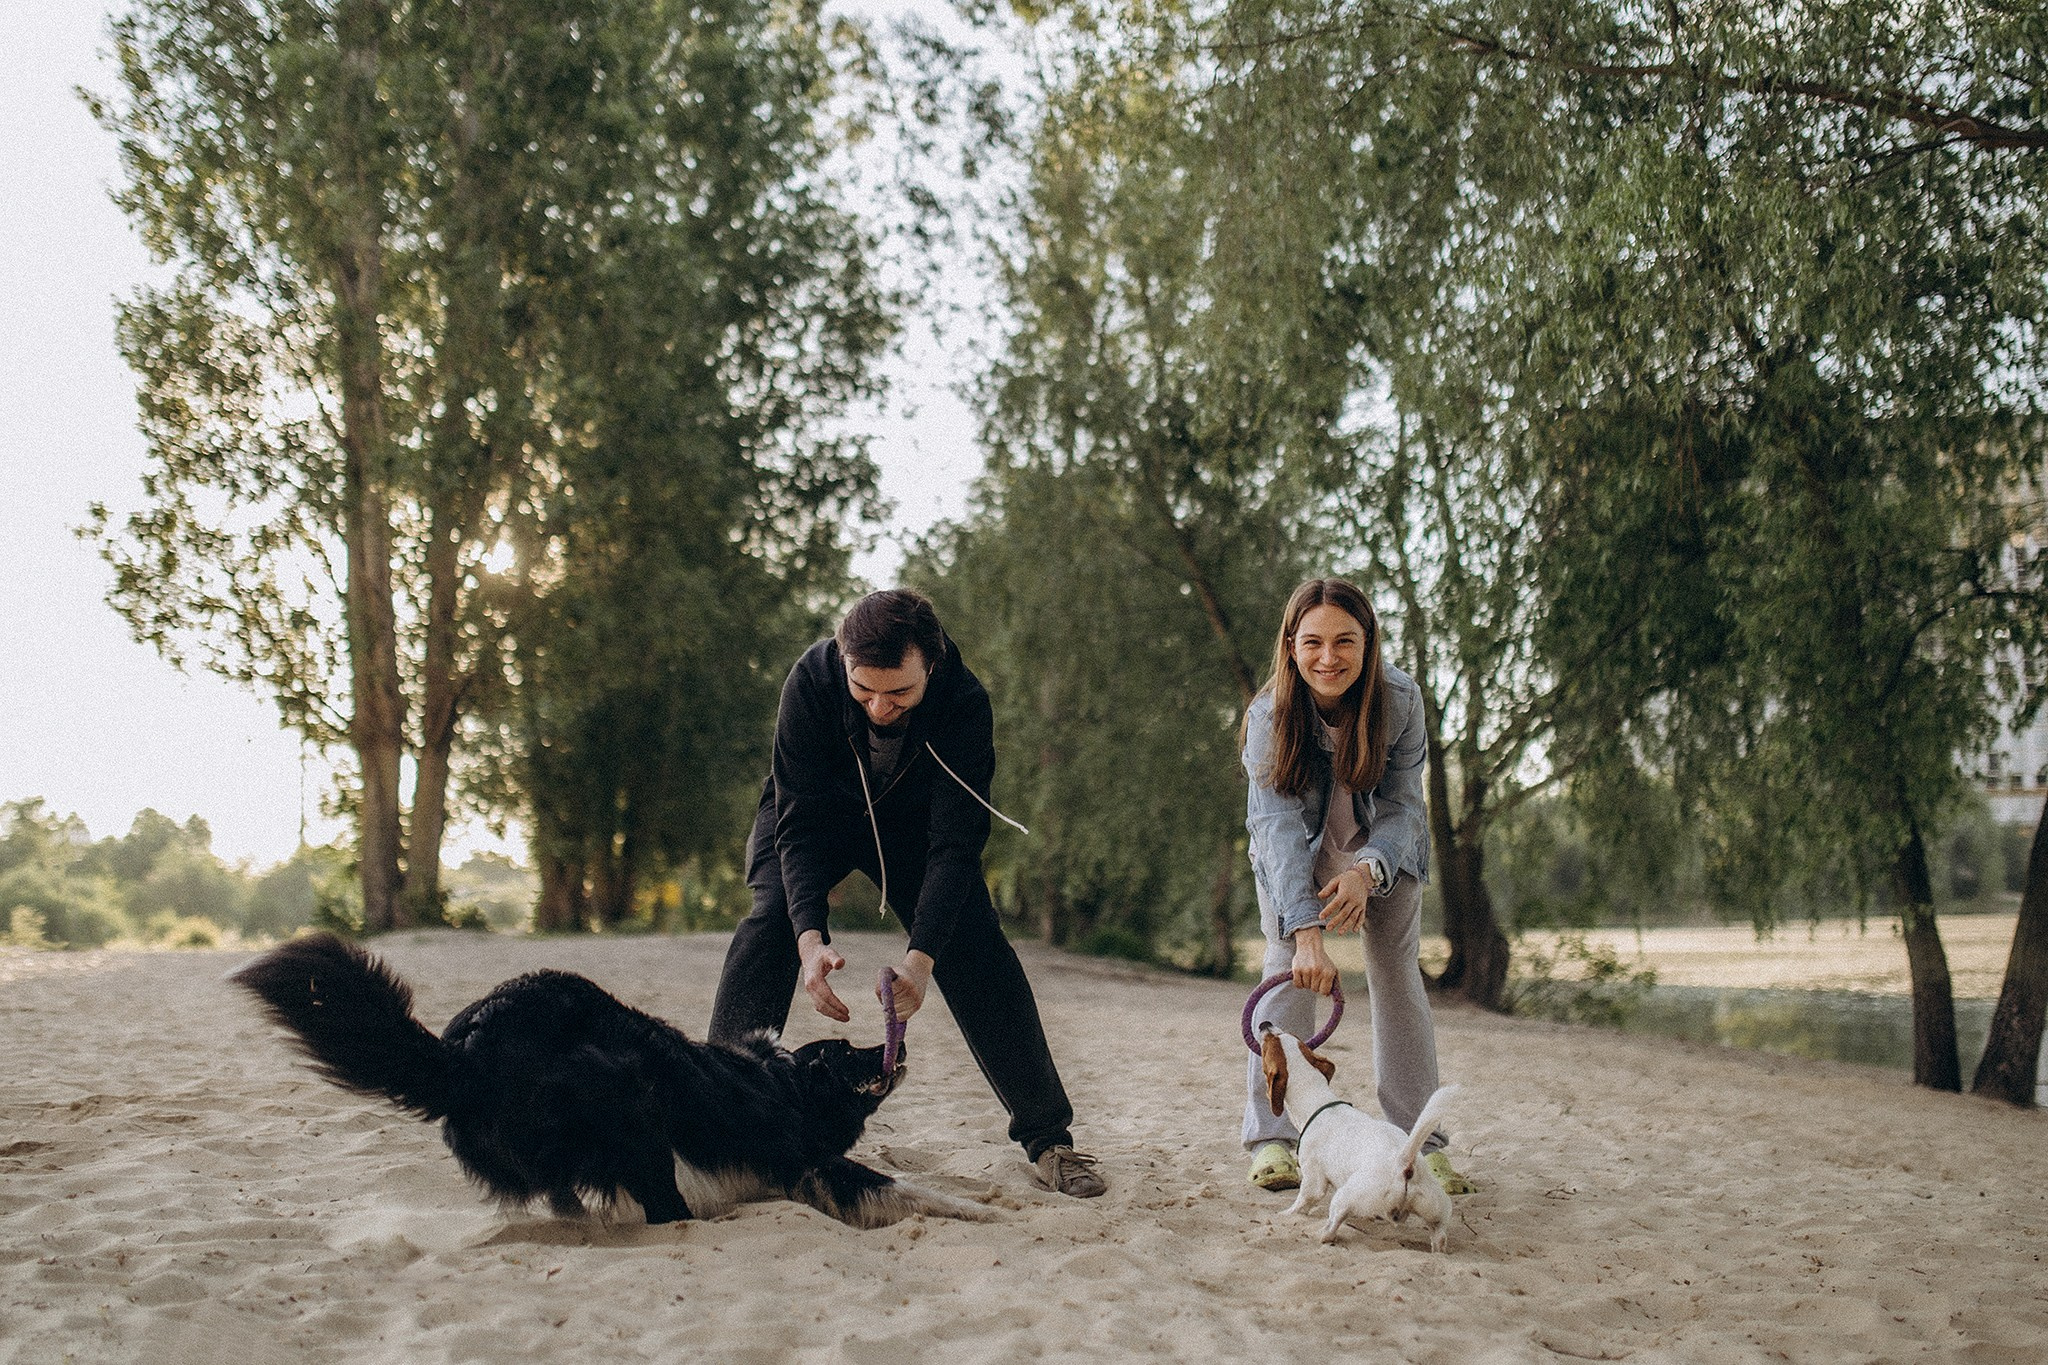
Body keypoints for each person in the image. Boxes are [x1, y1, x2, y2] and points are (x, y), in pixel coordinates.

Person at [709, 588, 1106, 1198]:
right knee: (769, 926)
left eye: (898, 693)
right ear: (842, 661)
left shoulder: (964, 703)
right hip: (813, 818)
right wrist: (809, 941)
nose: (879, 707)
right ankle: (717, 1127)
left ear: (933, 662)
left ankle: (1049, 1139)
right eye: (863, 690)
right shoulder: (811, 683)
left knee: (974, 944)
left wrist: (920, 962)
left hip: (913, 828)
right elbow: (797, 823)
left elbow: (955, 847)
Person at [1238, 577, 1473, 1196]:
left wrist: (1367, 871)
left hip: (1383, 856)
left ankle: (1422, 1144)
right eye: (1312, 642)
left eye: (1346, 641)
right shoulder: (1269, 717)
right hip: (1298, 859)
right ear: (1290, 646)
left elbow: (1402, 806)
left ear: (1368, 644)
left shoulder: (1400, 700)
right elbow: (1278, 829)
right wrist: (1306, 933)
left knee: (1397, 980)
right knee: (1286, 968)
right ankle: (1271, 1139)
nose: (1328, 657)